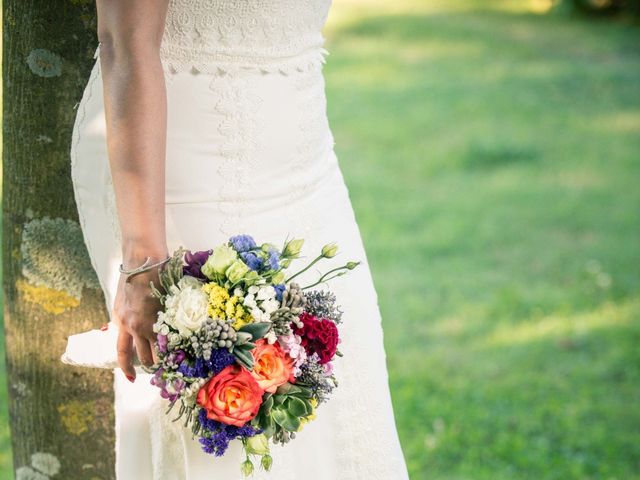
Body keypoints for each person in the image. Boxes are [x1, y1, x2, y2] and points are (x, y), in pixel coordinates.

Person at [61, 1, 410, 478]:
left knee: (344, 400)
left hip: (306, 159)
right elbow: (125, 44)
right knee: (213, 433)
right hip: (178, 162)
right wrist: (143, 257)